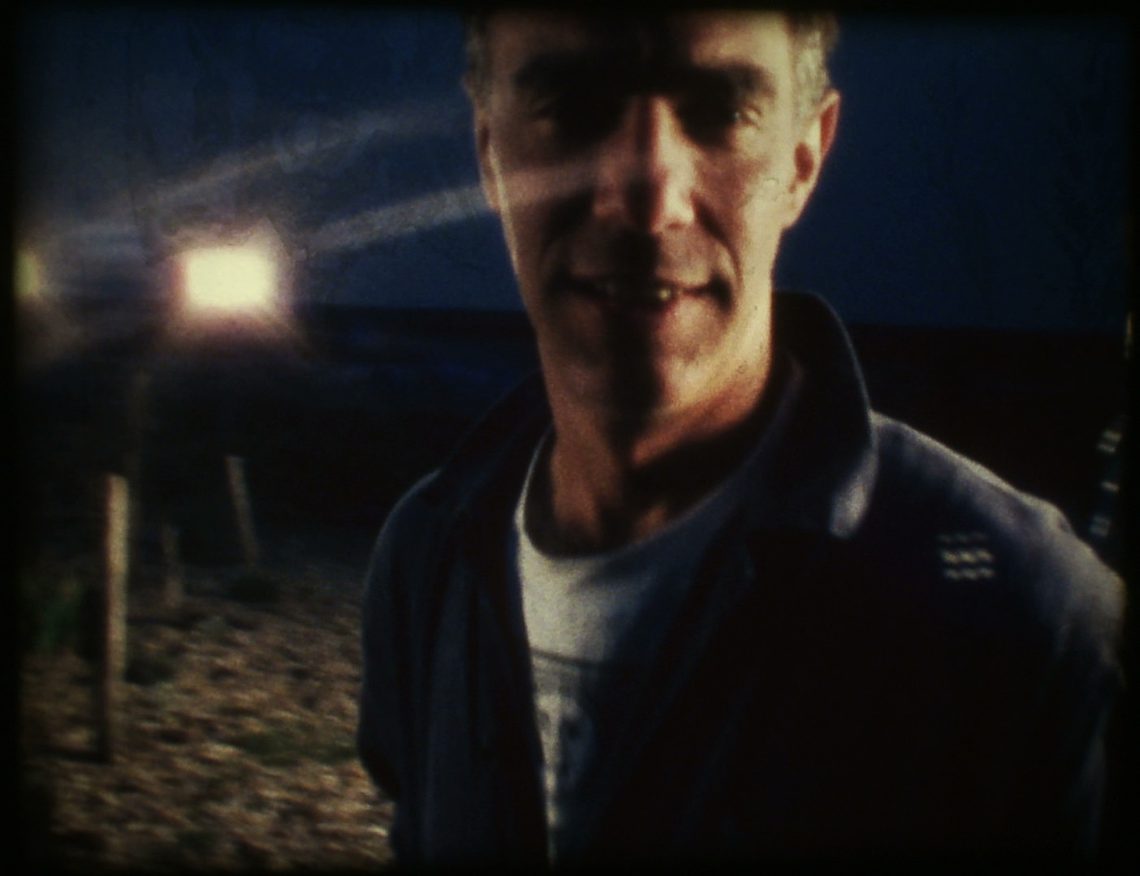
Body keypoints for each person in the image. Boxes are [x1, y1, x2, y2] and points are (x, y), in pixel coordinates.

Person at [357, 8, 1126, 867]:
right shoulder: (424, 560)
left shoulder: (1029, 624)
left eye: (720, 110)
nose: (647, 197)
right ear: (490, 151)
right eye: (571, 105)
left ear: (805, 158)